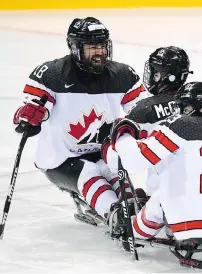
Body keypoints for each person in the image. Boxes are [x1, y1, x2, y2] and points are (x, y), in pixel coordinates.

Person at [12, 17, 151, 220]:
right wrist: (28, 116)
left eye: (102, 46)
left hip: (103, 152)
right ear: (75, 47)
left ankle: (131, 208)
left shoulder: (122, 75)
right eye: (92, 47)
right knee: (90, 172)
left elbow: (142, 110)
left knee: (110, 170)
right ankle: (114, 215)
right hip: (61, 158)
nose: (100, 53)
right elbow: (32, 108)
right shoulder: (52, 74)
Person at [103, 81, 202, 247]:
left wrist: (123, 135)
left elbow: (133, 161)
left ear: (188, 108)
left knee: (162, 193)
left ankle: (134, 232)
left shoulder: (180, 125)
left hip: (185, 223)